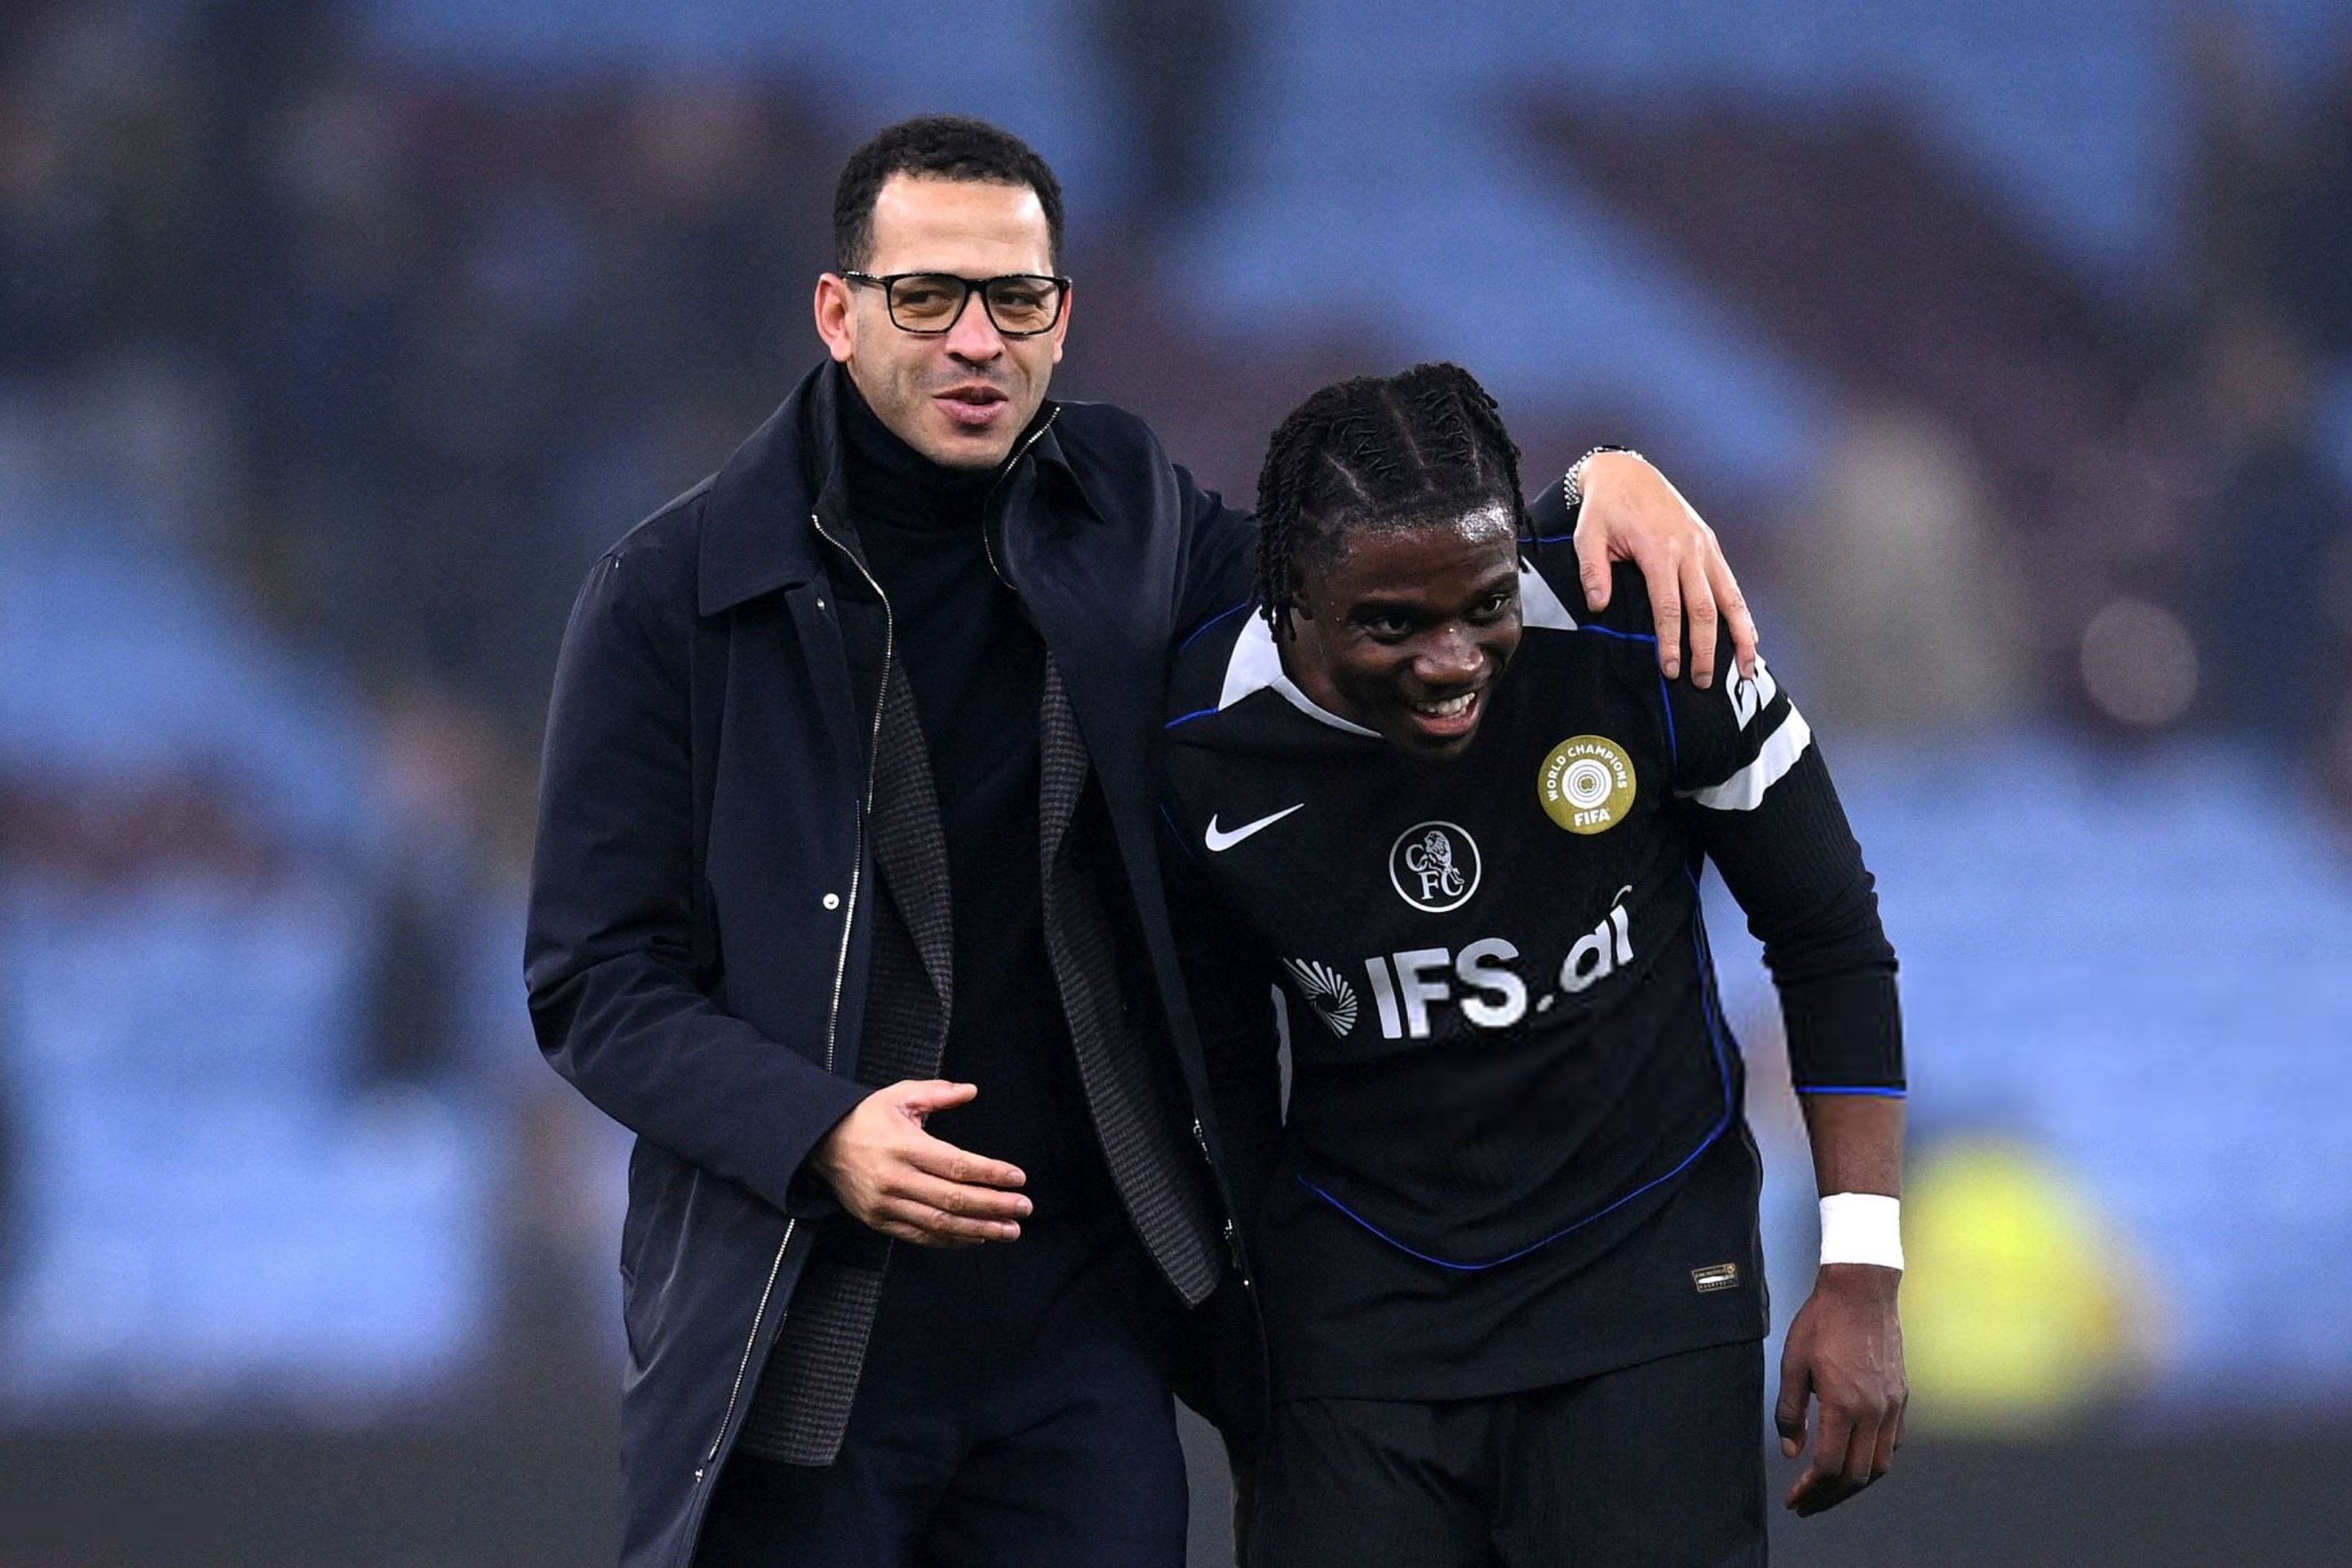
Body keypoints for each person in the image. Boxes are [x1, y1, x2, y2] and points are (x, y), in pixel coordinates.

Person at [526, 117, 1757, 1568]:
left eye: (1016, 299)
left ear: (1063, 319)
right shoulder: (670, 592)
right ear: (838, 312)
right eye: (927, 297)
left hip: (1081, 1325)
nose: (976, 338)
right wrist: (819, 1132)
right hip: (810, 1309)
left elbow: (1367, 575)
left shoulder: (1127, 502)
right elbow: (594, 978)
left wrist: (1583, 492)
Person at [1160, 362, 1907, 1568]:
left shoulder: (1652, 623)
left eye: (1486, 605)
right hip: (1363, 1318)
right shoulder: (1197, 739)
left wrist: (1861, 1272)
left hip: (1646, 1281)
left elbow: (1828, 931)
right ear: (1290, 592)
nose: (1452, 659)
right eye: (1392, 625)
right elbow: (1215, 1065)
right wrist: (1244, 1347)